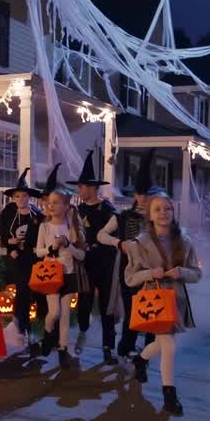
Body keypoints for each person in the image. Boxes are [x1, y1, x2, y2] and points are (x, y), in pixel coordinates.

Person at [124, 191, 202, 415]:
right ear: (149, 215)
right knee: (168, 346)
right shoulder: (140, 243)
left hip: (176, 301)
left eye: (167, 208)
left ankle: (140, 360)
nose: (163, 213)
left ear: (173, 212)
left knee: (161, 344)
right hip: (153, 301)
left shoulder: (184, 242)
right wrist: (151, 273)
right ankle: (169, 396)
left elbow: (197, 274)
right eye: (157, 209)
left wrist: (182, 272)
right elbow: (129, 278)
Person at [36, 165, 87, 369]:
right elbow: (37, 252)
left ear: (67, 206)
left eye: (56, 203)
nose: (51, 206)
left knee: (65, 314)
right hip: (50, 275)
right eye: (50, 203)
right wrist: (51, 248)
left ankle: (63, 349)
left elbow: (81, 254)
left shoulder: (72, 227)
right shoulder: (45, 227)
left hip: (69, 274)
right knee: (54, 312)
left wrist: (69, 245)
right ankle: (49, 332)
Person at [73, 150, 121, 362]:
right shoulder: (77, 210)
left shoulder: (107, 208)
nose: (79, 189)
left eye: (82, 186)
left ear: (93, 187)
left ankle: (108, 347)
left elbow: (115, 232)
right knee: (84, 300)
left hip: (106, 262)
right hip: (85, 262)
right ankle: (83, 331)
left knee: (106, 305)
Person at [113, 150, 157, 362]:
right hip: (130, 271)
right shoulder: (124, 217)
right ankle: (126, 346)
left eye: (146, 195)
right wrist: (119, 243)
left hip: (152, 272)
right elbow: (102, 235)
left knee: (153, 311)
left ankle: (149, 348)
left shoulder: (159, 218)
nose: (142, 198)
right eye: (139, 194)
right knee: (131, 311)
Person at [0, 168, 43, 353]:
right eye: (18, 196)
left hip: (34, 257)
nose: (22, 199)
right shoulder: (8, 214)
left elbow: (41, 236)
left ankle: (35, 331)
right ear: (13, 198)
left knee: (36, 293)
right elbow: (3, 236)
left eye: (25, 196)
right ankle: (23, 328)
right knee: (22, 290)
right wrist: (11, 245)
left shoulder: (37, 216)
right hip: (18, 258)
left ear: (29, 197)